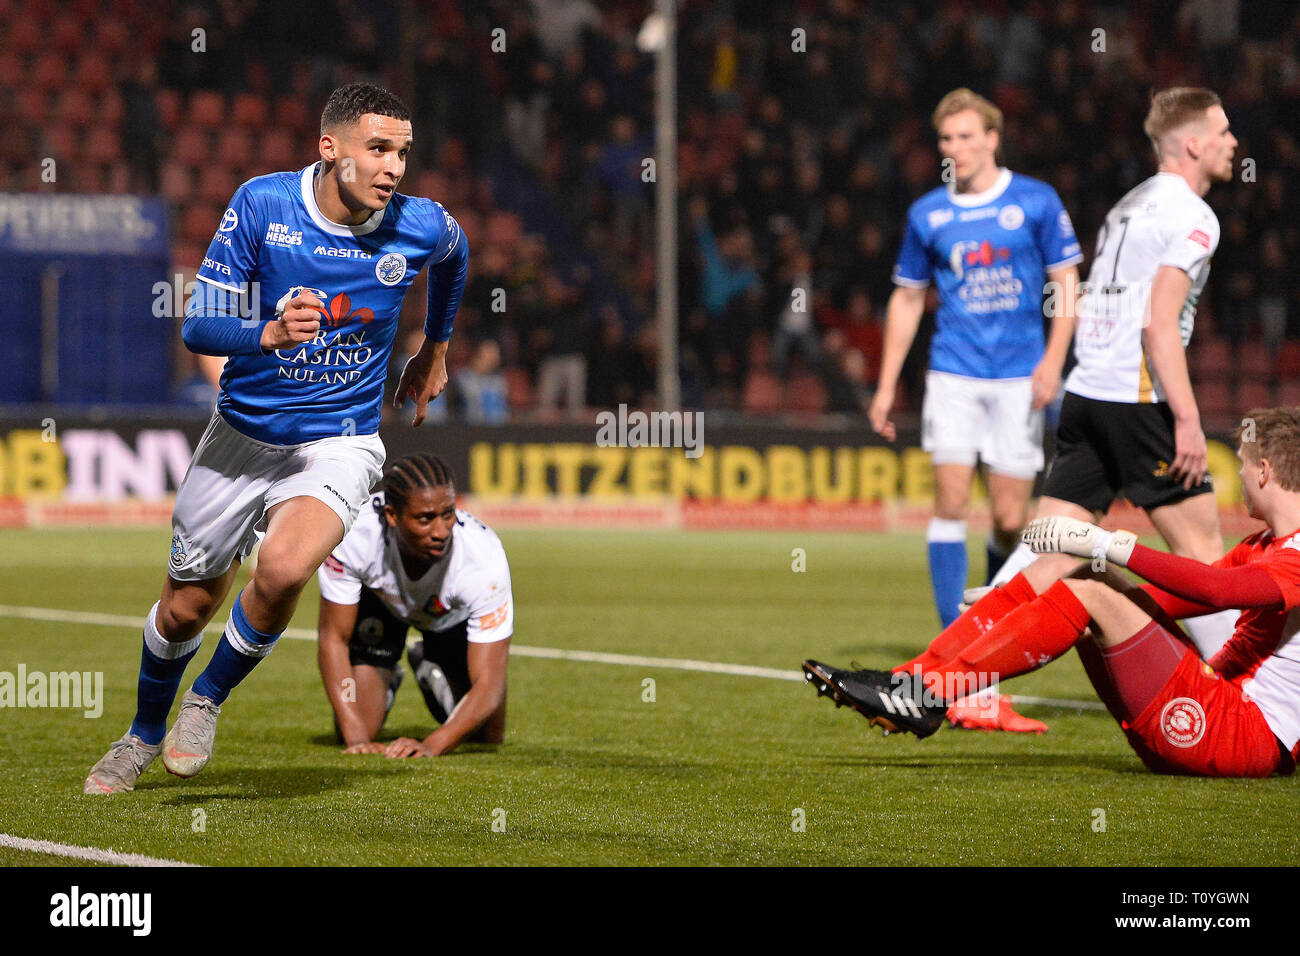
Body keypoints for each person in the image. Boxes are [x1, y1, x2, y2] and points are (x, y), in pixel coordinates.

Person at [84, 83, 469, 794]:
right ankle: (139, 735)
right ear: (330, 148)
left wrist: (435, 349)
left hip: (340, 439)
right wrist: (265, 332)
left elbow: (455, 253)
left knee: (287, 570)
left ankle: (206, 699)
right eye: (378, 149)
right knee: (185, 608)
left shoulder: (418, 225)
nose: (393, 168)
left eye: (404, 153)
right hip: (241, 436)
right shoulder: (263, 206)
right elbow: (199, 326)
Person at [802, 406, 1300, 779]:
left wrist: (1109, 544)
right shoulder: (1264, 543)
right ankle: (909, 684)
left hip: (1245, 736)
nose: (1234, 476)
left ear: (1264, 472)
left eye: (1241, 464)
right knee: (1070, 572)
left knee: (1092, 589)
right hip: (1218, 706)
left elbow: (1214, 590)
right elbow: (1171, 602)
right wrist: (1022, 599)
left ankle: (929, 694)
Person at [988, 87, 1239, 661]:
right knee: (1202, 555)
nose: (1232, 142)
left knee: (1046, 550)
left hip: (1087, 393)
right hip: (1137, 397)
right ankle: (1242, 689)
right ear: (1194, 142)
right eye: (1223, 131)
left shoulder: (1129, 204)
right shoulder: (1196, 217)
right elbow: (1158, 325)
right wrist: (1188, 419)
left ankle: (959, 669)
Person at [869, 88, 1082, 730]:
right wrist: (884, 386)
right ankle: (957, 664)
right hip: (953, 375)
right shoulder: (928, 215)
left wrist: (1053, 361)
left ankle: (983, 634)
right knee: (950, 503)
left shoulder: (1036, 201)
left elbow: (1065, 281)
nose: (954, 149)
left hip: (1020, 377)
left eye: (965, 136)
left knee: (1012, 518)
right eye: (945, 140)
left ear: (993, 138)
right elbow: (907, 301)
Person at [317, 453, 511, 757]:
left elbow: (489, 685)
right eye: (425, 519)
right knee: (355, 726)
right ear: (393, 516)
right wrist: (355, 735)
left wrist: (431, 745)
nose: (442, 531)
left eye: (448, 513)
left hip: (447, 618)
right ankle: (384, 673)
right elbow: (333, 639)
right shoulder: (353, 535)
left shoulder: (483, 558)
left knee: (488, 734)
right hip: (381, 606)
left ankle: (429, 666)